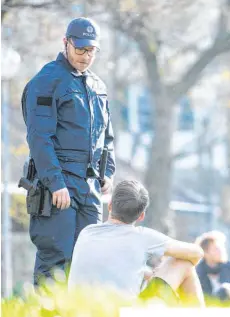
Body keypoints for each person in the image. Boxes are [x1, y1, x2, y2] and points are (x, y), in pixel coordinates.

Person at [21, 17, 116, 286]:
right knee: (56, 259)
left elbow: (107, 137)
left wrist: (107, 172)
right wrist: (55, 182)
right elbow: (40, 138)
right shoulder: (47, 81)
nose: (86, 57)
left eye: (91, 51)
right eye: (80, 49)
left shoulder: (97, 86)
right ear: (66, 43)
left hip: (89, 187)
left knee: (89, 260)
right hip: (58, 185)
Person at [68, 180, 205, 306]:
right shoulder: (143, 236)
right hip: (125, 312)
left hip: (80, 310)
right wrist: (164, 264)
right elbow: (197, 253)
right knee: (184, 263)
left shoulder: (86, 232)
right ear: (141, 216)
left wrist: (148, 273)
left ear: (110, 205)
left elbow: (109, 266)